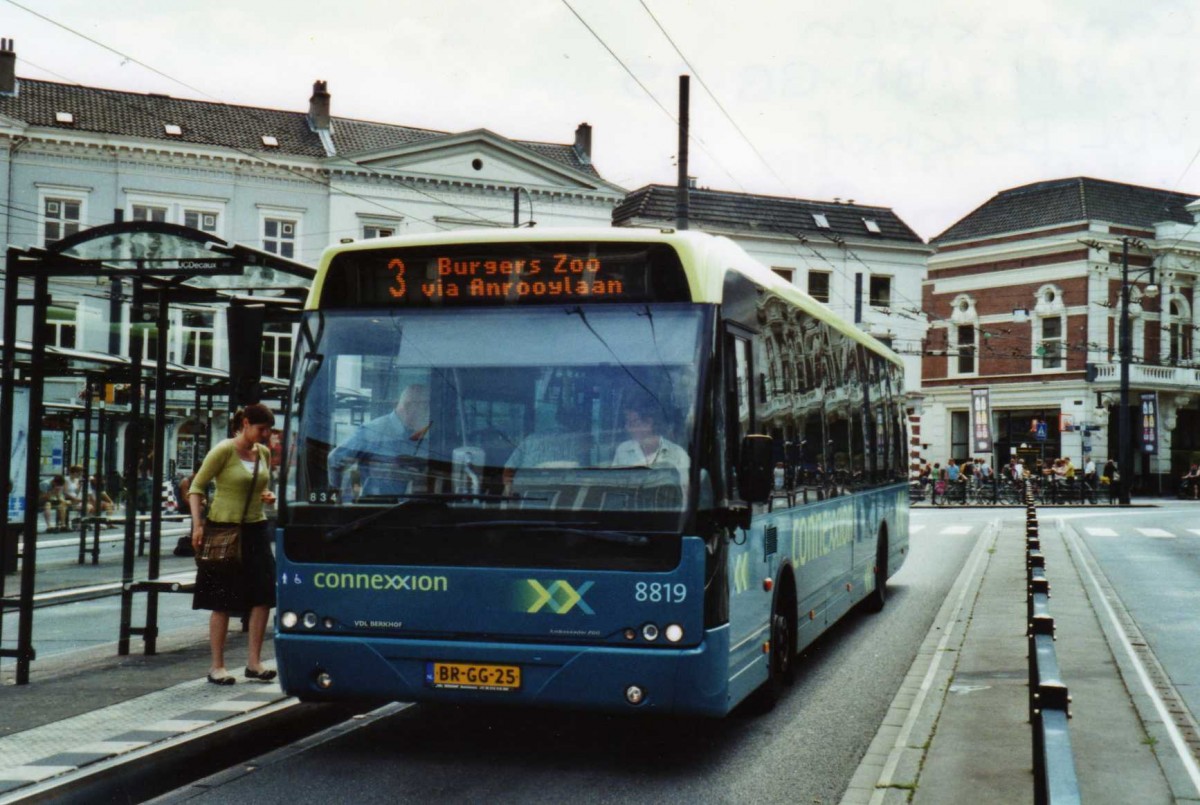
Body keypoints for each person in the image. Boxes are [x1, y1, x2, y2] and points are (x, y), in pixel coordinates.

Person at [188, 403, 277, 686]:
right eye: (262, 429)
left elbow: (260, 485)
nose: (265, 435)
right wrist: (197, 525)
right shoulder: (224, 450)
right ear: (246, 423)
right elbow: (196, 487)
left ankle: (254, 662)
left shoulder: (262, 452)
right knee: (222, 599)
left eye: (268, 430)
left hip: (256, 528)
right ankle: (217, 666)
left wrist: (267, 495)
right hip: (224, 529)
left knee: (263, 596)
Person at [327, 384, 432, 499]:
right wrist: (352, 497)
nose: (429, 413)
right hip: (376, 510)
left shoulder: (421, 434)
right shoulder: (371, 432)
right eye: (426, 407)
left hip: (410, 510)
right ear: (409, 407)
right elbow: (335, 460)